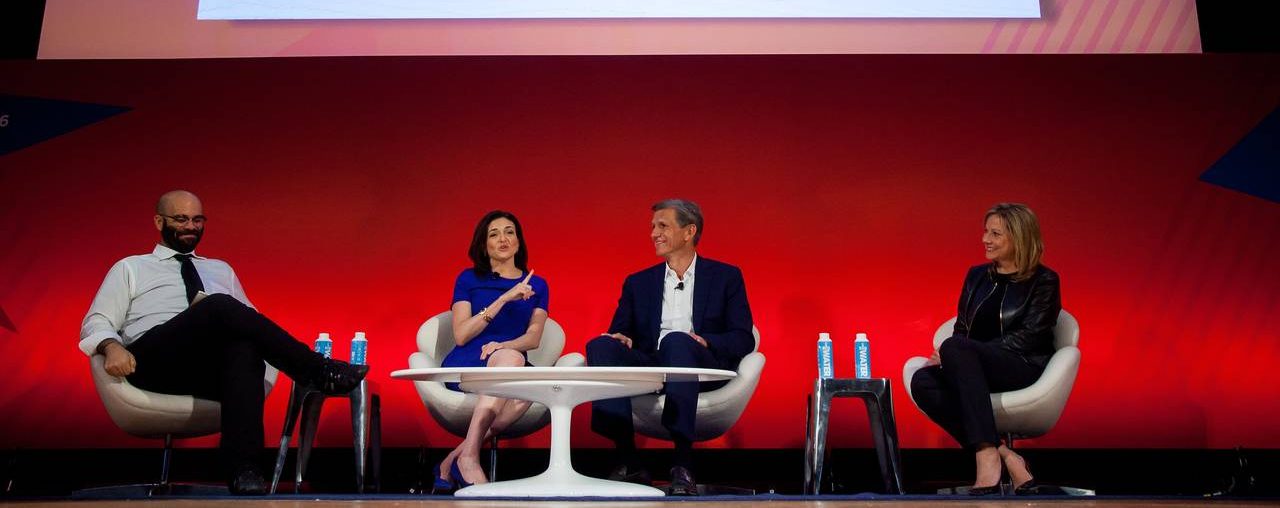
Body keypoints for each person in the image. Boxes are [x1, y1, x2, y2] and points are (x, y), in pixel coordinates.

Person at [78, 190, 368, 495]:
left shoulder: (220, 269)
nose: (191, 227)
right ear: (159, 221)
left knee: (245, 350)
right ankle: (316, 370)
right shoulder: (131, 267)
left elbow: (251, 324)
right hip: (150, 362)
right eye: (181, 219)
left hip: (204, 370)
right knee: (217, 305)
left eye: (197, 219)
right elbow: (96, 320)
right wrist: (111, 346)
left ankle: (245, 471)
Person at [586, 199, 754, 496]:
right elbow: (620, 330)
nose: (654, 234)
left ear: (689, 232)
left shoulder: (725, 277)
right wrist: (621, 338)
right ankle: (628, 459)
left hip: (699, 366)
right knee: (600, 346)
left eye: (662, 226)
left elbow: (743, 337)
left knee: (677, 340)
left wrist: (706, 341)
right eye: (653, 227)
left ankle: (683, 464)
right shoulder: (638, 282)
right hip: (652, 365)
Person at [909, 202, 1061, 496]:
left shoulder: (1044, 281)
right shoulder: (976, 276)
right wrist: (956, 356)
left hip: (1021, 366)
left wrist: (963, 354)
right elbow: (962, 328)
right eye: (985, 232)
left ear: (1018, 237)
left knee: (956, 348)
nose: (985, 240)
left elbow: (1030, 338)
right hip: (975, 369)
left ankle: (987, 459)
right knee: (922, 381)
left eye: (995, 234)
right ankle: (1002, 453)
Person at [432, 210, 550, 491]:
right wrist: (505, 298)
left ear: (518, 241)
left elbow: (533, 338)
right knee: (513, 366)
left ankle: (453, 459)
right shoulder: (468, 279)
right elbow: (461, 335)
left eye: (510, 232)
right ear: (484, 245)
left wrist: (504, 346)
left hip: (511, 362)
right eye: (494, 234)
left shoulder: (538, 284)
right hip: (470, 361)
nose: (503, 239)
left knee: (530, 385)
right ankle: (468, 459)